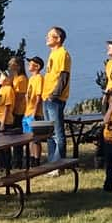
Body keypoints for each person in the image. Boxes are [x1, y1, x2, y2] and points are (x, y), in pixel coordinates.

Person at [42, 26, 71, 166]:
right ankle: (51, 163)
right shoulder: (52, 54)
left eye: (50, 35)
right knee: (49, 133)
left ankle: (59, 164)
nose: (47, 37)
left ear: (58, 39)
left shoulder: (62, 53)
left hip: (55, 99)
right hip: (46, 97)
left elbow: (63, 76)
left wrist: (55, 95)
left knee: (57, 132)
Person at [8, 56, 28, 169]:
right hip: (13, 110)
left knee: (17, 137)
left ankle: (18, 161)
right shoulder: (14, 78)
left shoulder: (21, 79)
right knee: (12, 137)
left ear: (18, 66)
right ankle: (13, 160)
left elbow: (20, 96)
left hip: (18, 111)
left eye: (12, 65)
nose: (10, 67)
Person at [0, 70, 16, 171]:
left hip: (6, 120)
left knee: (5, 144)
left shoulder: (8, 89)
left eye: (1, 77)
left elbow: (7, 107)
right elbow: (0, 105)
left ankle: (7, 164)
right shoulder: (1, 89)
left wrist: (2, 123)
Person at [24, 56, 45, 166]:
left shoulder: (39, 78)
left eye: (30, 64)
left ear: (37, 66)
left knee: (36, 139)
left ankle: (37, 160)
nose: (28, 66)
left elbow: (38, 98)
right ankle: (32, 158)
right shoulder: (31, 79)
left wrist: (34, 113)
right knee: (30, 138)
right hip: (28, 112)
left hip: (35, 113)